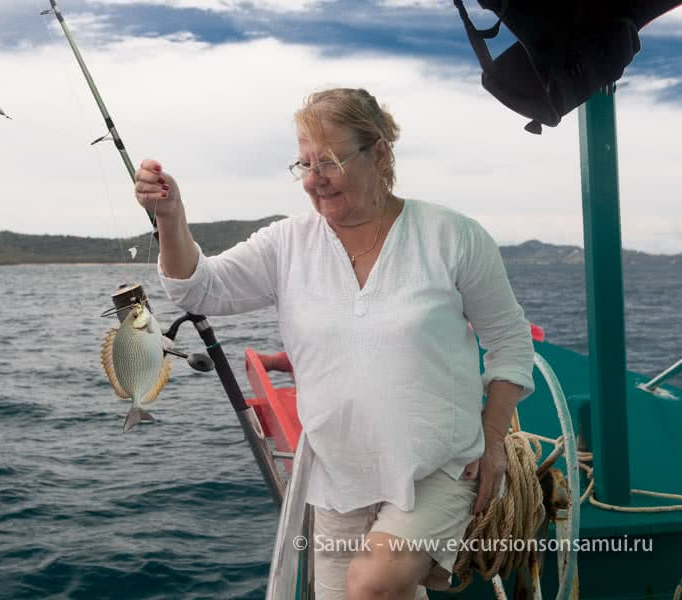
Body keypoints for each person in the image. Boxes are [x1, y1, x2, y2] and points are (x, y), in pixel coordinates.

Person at [134, 87, 534, 600]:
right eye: (303, 164)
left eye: (329, 161)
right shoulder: (287, 244)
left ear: (380, 154)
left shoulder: (452, 236)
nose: (313, 179)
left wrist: (495, 438)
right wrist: (171, 218)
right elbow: (199, 287)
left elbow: (510, 342)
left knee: (372, 585)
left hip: (440, 466)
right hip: (337, 478)